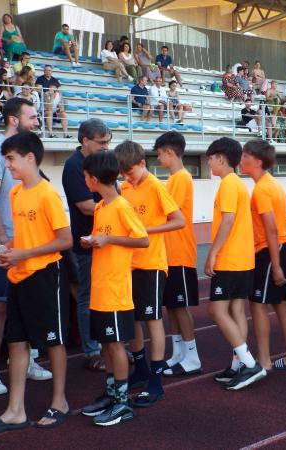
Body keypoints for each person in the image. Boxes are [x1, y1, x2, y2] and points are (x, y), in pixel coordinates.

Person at [0, 131, 72, 437]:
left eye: (10, 159)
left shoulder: (47, 194)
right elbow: (24, 237)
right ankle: (15, 410)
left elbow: (65, 240)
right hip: (20, 274)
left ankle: (59, 402)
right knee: (16, 341)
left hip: (46, 275)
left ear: (29, 158)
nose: (7, 165)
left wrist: (25, 253)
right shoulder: (15, 193)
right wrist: (8, 250)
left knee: (53, 340)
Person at [79, 152, 149, 426]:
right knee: (107, 345)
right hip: (100, 287)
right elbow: (105, 241)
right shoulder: (100, 207)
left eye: (85, 177)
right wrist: (94, 242)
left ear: (94, 179)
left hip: (116, 288)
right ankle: (111, 394)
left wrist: (108, 239)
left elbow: (142, 240)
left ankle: (122, 402)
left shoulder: (121, 206)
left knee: (116, 344)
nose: (84, 180)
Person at [0, 98, 52, 396]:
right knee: (0, 306)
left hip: (28, 246)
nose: (37, 120)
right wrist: (2, 241)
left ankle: (28, 361)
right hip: (5, 244)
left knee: (23, 305)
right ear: (14, 120)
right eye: (32, 116)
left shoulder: (25, 156)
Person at [115, 140, 184, 406]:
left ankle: (155, 380)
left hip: (152, 263)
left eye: (130, 172)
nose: (126, 178)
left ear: (143, 164)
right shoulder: (124, 187)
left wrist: (146, 231)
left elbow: (177, 221)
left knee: (152, 319)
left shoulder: (156, 187)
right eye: (123, 174)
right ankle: (140, 367)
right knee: (131, 320)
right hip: (127, 263)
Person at [204, 137, 266, 390]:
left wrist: (212, 253)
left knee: (217, 311)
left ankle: (250, 364)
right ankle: (238, 363)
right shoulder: (236, 184)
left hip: (230, 258)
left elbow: (227, 220)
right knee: (237, 311)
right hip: (243, 257)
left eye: (210, 159)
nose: (208, 163)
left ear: (220, 158)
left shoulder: (229, 184)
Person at [239, 139, 286, 371]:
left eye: (245, 156)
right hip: (283, 246)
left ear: (257, 161)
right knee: (281, 304)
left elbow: (271, 228)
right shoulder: (271, 184)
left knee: (258, 304)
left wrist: (275, 266)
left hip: (271, 249)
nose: (241, 160)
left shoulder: (262, 189)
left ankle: (264, 360)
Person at [151, 132, 203, 377]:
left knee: (180, 307)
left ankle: (192, 356)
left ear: (170, 153)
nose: (158, 157)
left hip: (180, 252)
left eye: (160, 153)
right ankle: (178, 353)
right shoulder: (172, 179)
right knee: (171, 306)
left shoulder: (181, 178)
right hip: (168, 253)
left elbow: (166, 212)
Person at [62, 119, 112, 372]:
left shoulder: (102, 162)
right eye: (101, 142)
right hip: (86, 244)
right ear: (84, 140)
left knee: (106, 296)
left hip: (109, 241)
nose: (106, 147)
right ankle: (92, 351)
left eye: (108, 142)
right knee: (86, 298)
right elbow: (85, 206)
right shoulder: (73, 166)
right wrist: (117, 211)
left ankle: (108, 345)